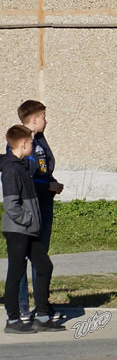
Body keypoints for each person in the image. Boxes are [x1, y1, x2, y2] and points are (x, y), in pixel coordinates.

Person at [3, 124, 65, 333]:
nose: (33, 146)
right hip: (18, 229)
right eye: (30, 143)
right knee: (16, 272)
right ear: (23, 144)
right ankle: (13, 320)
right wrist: (28, 220)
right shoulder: (12, 169)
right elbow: (11, 204)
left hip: (29, 228)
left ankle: (43, 316)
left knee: (44, 266)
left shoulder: (22, 166)